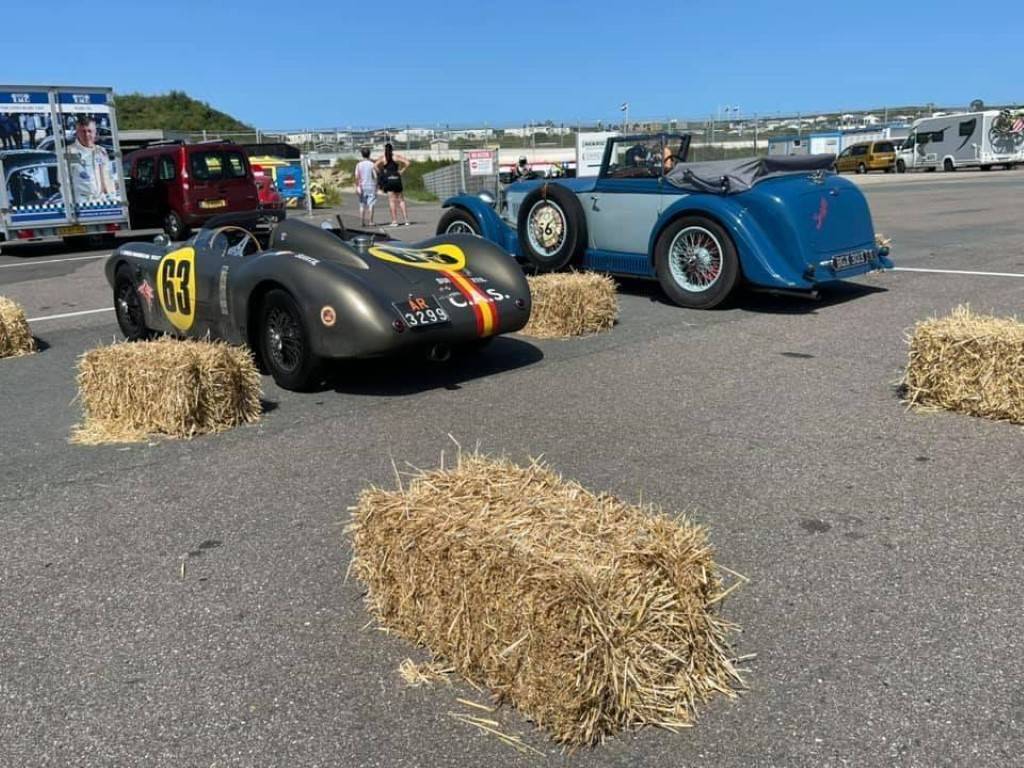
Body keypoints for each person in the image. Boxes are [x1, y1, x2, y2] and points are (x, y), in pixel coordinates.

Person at [66, 116, 115, 202]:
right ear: (77, 133)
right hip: (81, 203)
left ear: (95, 132)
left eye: (89, 131)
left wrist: (112, 197)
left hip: (101, 201)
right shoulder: (70, 152)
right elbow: (65, 181)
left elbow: (107, 177)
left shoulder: (101, 151)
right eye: (83, 131)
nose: (86, 135)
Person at [375, 142, 410, 226]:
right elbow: (408, 163)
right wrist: (401, 171)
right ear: (392, 149)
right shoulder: (396, 157)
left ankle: (394, 221)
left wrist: (381, 172)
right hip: (397, 178)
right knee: (401, 200)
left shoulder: (383, 158)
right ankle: (406, 220)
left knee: (392, 201)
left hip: (388, 180)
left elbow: (375, 166)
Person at [354, 147, 378, 226]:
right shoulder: (372, 164)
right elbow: (375, 176)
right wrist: (376, 185)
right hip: (371, 186)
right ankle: (370, 221)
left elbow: (357, 177)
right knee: (371, 204)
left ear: (362, 154)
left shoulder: (358, 165)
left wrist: (356, 187)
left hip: (362, 187)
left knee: (362, 205)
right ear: (369, 154)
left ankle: (362, 222)